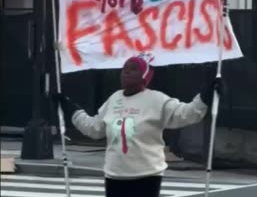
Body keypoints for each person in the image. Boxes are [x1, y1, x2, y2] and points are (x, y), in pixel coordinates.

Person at [55, 54, 223, 197]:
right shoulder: (114, 99)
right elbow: (94, 128)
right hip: (115, 176)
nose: (126, 71)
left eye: (133, 68)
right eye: (124, 68)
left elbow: (187, 113)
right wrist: (69, 108)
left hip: (146, 177)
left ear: (145, 76)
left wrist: (207, 95)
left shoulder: (157, 100)